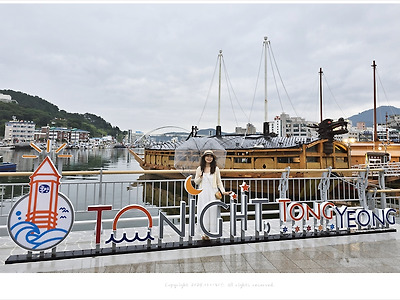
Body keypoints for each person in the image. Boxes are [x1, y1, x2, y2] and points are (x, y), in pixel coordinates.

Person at [194, 150, 232, 240]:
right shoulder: (199, 169)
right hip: (203, 193)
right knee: (203, 211)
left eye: (211, 156)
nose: (209, 158)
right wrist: (200, 177)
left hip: (213, 193)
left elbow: (219, 182)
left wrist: (223, 191)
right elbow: (196, 182)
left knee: (213, 211)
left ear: (213, 158)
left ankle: (211, 231)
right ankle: (204, 233)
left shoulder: (216, 169)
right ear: (204, 158)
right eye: (207, 156)